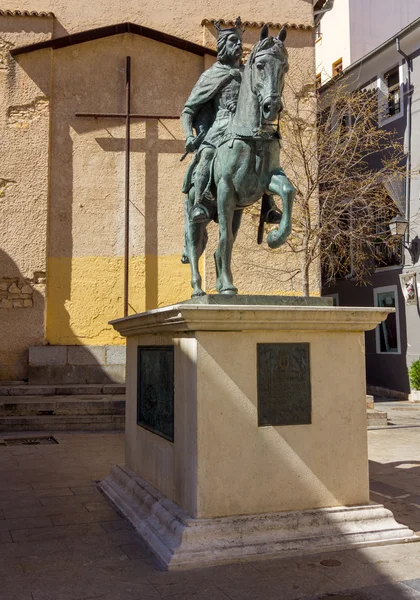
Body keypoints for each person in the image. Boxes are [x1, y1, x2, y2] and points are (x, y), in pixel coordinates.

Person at [181, 18, 282, 224]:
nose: (238, 45)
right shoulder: (212, 75)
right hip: (220, 126)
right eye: (233, 41)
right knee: (207, 153)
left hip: (250, 125)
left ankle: (269, 205)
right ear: (222, 46)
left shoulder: (249, 71)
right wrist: (188, 135)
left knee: (268, 149)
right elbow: (188, 109)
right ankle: (200, 202)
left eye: (239, 42)